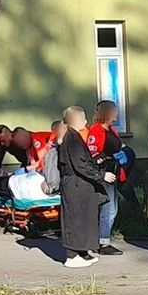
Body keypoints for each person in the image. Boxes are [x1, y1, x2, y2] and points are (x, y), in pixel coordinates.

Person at [58, 105, 116, 268]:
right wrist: (100, 175)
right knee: (75, 219)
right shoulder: (72, 139)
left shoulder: (74, 137)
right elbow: (80, 164)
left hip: (81, 185)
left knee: (85, 218)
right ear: (76, 120)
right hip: (75, 185)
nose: (85, 121)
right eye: (83, 118)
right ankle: (72, 255)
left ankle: (82, 251)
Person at [85, 101, 124, 256]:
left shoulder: (111, 130)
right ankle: (102, 241)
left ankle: (103, 238)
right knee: (108, 208)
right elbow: (93, 152)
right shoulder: (96, 130)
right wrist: (107, 159)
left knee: (113, 208)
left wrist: (124, 152)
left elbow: (118, 145)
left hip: (113, 171)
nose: (116, 114)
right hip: (104, 173)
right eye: (114, 111)